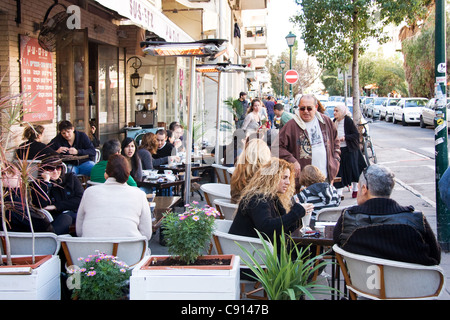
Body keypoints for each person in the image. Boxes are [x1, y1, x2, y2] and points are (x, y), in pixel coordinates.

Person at [333, 164, 441, 266]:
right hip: (413, 284)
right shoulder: (417, 219)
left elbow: (337, 244)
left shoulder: (348, 218)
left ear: (364, 189)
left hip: (364, 284)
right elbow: (436, 257)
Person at [229, 158, 314, 242]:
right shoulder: (257, 199)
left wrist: (299, 216)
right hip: (250, 251)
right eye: (284, 178)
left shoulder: (273, 198)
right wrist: (295, 213)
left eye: (288, 178)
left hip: (258, 248)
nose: (288, 182)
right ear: (272, 178)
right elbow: (267, 228)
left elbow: (282, 227)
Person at [76, 154, 152, 240]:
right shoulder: (139, 194)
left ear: (106, 174)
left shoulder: (89, 193)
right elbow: (146, 234)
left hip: (91, 250)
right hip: (129, 250)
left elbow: (79, 231)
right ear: (128, 174)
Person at [274, 94, 340, 190]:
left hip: (325, 176)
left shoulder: (326, 122)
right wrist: (292, 161)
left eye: (309, 108)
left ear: (316, 107)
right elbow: (276, 147)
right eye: (302, 108)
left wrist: (336, 160)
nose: (305, 111)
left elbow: (335, 140)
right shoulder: (291, 125)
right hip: (303, 181)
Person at [1, 165, 72, 235]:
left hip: (19, 237)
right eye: (14, 174)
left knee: (65, 217)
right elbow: (39, 223)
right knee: (66, 218)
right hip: (36, 239)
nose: (20, 176)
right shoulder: (14, 201)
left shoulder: (11, 198)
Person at [32, 157, 83, 223]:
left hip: (73, 213)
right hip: (53, 218)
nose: (55, 172)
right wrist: (46, 182)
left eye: (58, 168)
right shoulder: (38, 184)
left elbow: (80, 199)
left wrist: (55, 206)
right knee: (65, 219)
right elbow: (41, 204)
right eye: (50, 169)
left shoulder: (71, 178)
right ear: (43, 170)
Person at [333, 103, 367, 198]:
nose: (334, 113)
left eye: (337, 111)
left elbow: (355, 135)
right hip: (339, 150)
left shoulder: (348, 121)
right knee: (339, 170)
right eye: (334, 111)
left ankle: (355, 188)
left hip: (350, 149)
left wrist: (345, 138)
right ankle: (339, 192)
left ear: (342, 112)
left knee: (353, 169)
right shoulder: (334, 121)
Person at [230, 138, 272, 203]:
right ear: (265, 156)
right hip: (256, 210)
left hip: (234, 209)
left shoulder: (237, 173)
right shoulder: (265, 177)